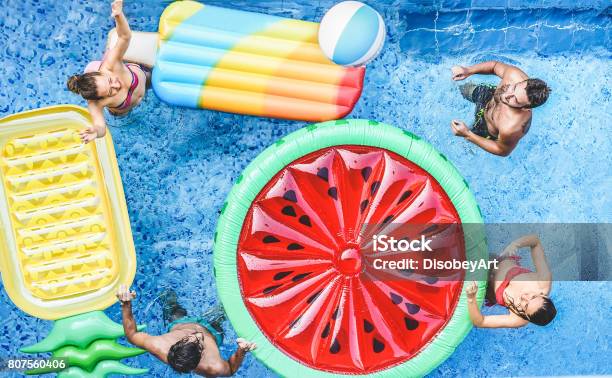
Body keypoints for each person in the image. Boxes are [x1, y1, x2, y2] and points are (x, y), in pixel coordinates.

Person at [117, 285, 256, 376]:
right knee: (227, 308)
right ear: (200, 356)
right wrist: (242, 351)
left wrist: (126, 304)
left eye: (188, 338)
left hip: (180, 322)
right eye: (199, 342)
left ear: (178, 343)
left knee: (168, 295)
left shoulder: (159, 345)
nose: (197, 334)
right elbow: (231, 369)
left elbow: (132, 334)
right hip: (213, 331)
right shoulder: (213, 367)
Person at [66, 0, 150, 144]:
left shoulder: (111, 64)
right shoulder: (95, 104)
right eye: (111, 92)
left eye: (111, 81)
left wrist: (118, 15)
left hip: (142, 76)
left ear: (103, 72)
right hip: (125, 108)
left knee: (151, 79)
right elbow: (101, 126)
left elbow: (125, 36)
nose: (117, 86)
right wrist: (96, 132)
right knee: (121, 117)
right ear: (100, 99)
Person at [450, 61, 551, 156]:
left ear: (525, 108)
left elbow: (502, 150)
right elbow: (494, 66)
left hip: (485, 129)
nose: (507, 95)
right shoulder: (514, 75)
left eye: (515, 100)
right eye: (514, 88)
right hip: (488, 96)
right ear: (520, 82)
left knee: (463, 148)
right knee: (459, 87)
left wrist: (468, 134)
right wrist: (468, 70)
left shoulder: (512, 127)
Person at [465, 234, 556, 328]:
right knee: (473, 246)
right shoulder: (543, 281)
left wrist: (471, 297)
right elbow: (535, 242)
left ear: (527, 316)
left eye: (525, 306)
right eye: (533, 297)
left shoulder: (517, 319)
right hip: (496, 262)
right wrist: (516, 244)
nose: (524, 296)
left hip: (487, 288)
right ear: (543, 295)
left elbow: (480, 322)